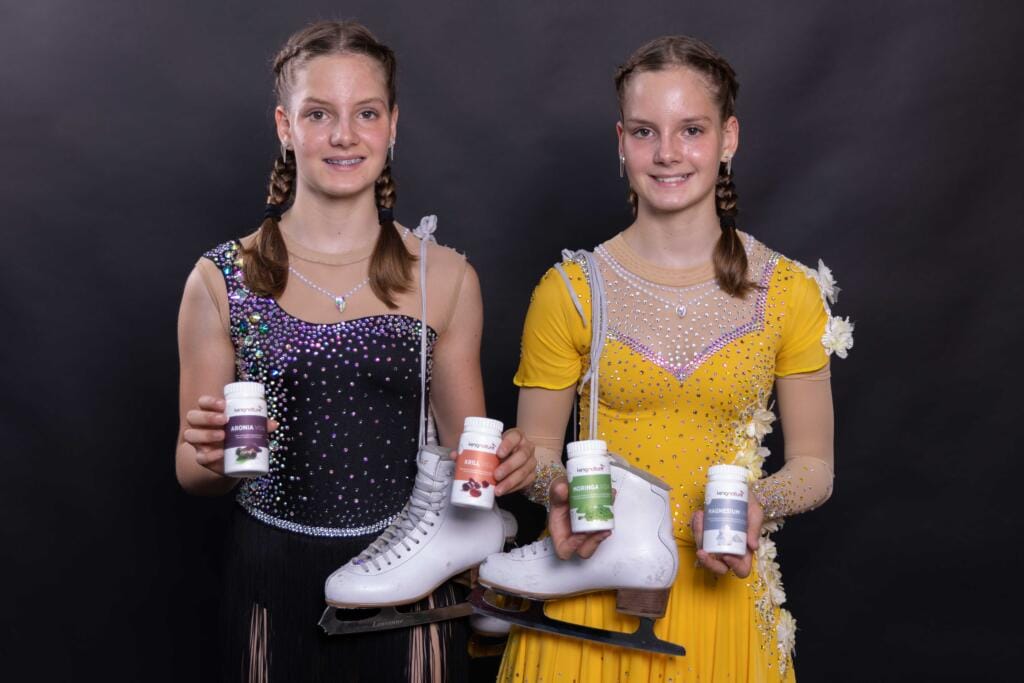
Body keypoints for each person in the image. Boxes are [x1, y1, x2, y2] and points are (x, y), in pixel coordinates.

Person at [174, 20, 535, 682]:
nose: (344, 135)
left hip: (408, 580)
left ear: (392, 124)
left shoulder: (445, 277)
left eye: (365, 113)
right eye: (319, 114)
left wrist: (505, 466)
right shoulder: (221, 278)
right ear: (285, 126)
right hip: (271, 578)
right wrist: (208, 454)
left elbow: (467, 465)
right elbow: (193, 471)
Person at [499, 35, 853, 682]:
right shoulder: (572, 292)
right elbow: (534, 452)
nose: (667, 153)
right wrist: (558, 487)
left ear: (729, 138)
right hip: (591, 596)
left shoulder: (788, 293)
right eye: (644, 131)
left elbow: (816, 467)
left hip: (723, 597)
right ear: (620, 141)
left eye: (691, 129)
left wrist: (757, 503)